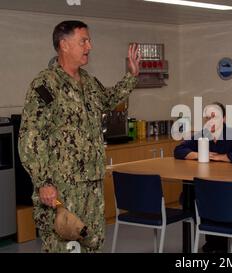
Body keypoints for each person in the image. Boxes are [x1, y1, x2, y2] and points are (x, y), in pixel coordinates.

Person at [18, 20, 140, 252]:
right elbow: (30, 138)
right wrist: (44, 183)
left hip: (92, 183)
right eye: (83, 41)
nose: (89, 46)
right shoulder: (45, 84)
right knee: (64, 246)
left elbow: (108, 99)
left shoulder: (89, 82)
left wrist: (131, 76)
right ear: (64, 45)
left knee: (93, 242)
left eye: (89, 41)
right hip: (61, 187)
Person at [174, 102, 232, 253]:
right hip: (209, 188)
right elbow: (179, 150)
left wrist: (221, 157)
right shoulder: (202, 135)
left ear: (223, 118)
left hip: (229, 190)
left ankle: (217, 244)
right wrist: (198, 154)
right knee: (191, 195)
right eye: (207, 118)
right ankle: (213, 244)